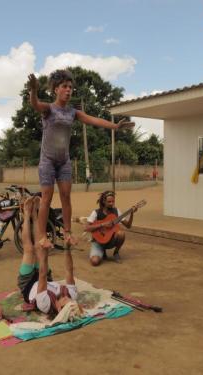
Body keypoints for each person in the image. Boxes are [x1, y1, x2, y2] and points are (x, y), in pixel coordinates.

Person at [27, 70, 133, 252]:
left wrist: (114, 126)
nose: (68, 90)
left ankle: (67, 232)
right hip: (47, 160)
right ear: (55, 89)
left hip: (64, 161)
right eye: (64, 87)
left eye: (70, 87)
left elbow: (94, 120)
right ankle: (42, 236)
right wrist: (34, 91)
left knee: (66, 196)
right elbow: (35, 104)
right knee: (46, 197)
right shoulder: (48, 109)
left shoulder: (72, 112)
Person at [17, 196, 78, 315]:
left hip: (28, 284)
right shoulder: (72, 295)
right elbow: (69, 270)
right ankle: (35, 216)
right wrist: (67, 247)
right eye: (71, 301)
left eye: (66, 303)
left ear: (60, 309)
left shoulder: (45, 304)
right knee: (39, 245)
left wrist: (44, 252)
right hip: (46, 279)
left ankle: (26, 214)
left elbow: (42, 275)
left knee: (30, 249)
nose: (68, 299)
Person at [85, 191, 137, 266]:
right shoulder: (96, 212)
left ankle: (116, 252)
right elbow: (87, 228)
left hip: (110, 241)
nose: (111, 203)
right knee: (94, 262)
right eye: (109, 202)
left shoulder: (116, 211)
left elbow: (128, 226)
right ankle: (102, 251)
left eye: (113, 201)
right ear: (103, 201)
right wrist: (103, 224)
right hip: (98, 242)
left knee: (121, 234)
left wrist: (132, 213)